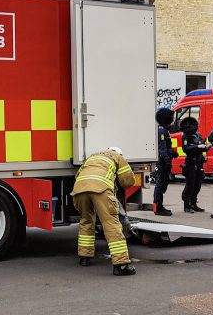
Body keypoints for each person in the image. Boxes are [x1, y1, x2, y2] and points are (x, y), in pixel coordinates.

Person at [71, 146, 137, 276]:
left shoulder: (92, 157)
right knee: (111, 224)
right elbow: (127, 180)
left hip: (79, 190)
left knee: (86, 221)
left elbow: (78, 174)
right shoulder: (117, 157)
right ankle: (121, 265)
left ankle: (85, 257)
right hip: (100, 189)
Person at [180, 117, 210, 213]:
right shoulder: (185, 136)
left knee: (198, 184)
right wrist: (197, 147)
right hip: (190, 162)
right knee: (190, 185)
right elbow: (185, 149)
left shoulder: (198, 135)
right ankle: (186, 205)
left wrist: (206, 148)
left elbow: (202, 145)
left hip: (199, 161)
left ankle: (194, 203)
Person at [152, 107, 175, 216]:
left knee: (162, 184)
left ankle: (159, 205)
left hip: (165, 162)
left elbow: (166, 146)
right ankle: (158, 207)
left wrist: (173, 153)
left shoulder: (164, 130)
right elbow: (162, 148)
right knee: (160, 185)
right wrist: (166, 159)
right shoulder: (161, 130)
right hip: (162, 163)